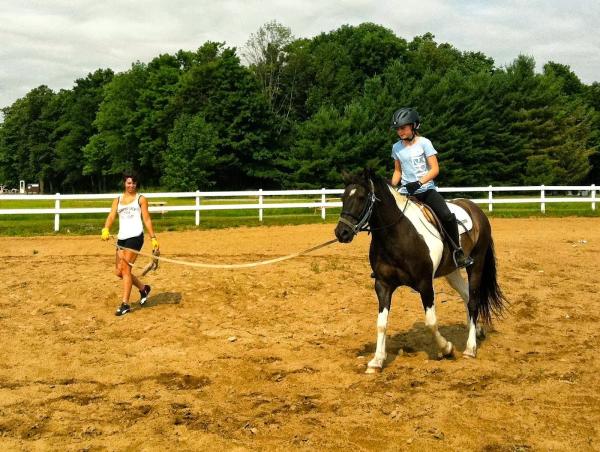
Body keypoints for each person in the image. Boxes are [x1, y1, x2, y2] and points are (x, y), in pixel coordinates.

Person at [390, 107, 473, 268]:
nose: (400, 132)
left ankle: (457, 252)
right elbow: (397, 171)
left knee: (447, 216)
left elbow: (435, 169)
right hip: (407, 193)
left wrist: (419, 183)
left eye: (403, 128)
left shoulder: (425, 143)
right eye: (398, 129)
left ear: (414, 126)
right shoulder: (396, 148)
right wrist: (392, 187)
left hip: (426, 191)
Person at [101, 171, 160, 316]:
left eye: (133, 183)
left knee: (126, 270)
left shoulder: (141, 199)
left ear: (136, 184)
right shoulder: (117, 199)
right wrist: (106, 228)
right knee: (119, 272)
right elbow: (111, 215)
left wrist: (153, 238)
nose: (131, 185)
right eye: (128, 182)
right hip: (122, 238)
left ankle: (125, 304)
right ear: (124, 183)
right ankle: (143, 288)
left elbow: (146, 219)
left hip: (135, 237)